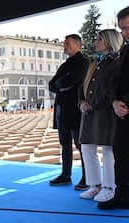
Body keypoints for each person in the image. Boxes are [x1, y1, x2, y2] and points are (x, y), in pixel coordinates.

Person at [78, 29, 122, 202]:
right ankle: (94, 186)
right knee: (87, 148)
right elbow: (82, 87)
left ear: (110, 41)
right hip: (88, 113)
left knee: (107, 150)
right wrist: (81, 102)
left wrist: (93, 104)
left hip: (106, 113)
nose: (96, 42)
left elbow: (112, 88)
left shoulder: (116, 62)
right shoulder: (93, 62)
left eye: (100, 39)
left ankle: (110, 188)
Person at [98, 6, 129, 210]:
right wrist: (114, 102)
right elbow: (113, 82)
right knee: (122, 155)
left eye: (127, 28)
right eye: (122, 29)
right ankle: (123, 195)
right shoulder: (125, 50)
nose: (125, 33)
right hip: (122, 113)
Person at [48, 34, 89, 190]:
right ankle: (66, 175)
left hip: (74, 109)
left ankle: (87, 177)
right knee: (64, 144)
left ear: (77, 45)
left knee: (81, 145)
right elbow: (52, 84)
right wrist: (61, 85)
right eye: (64, 43)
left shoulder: (83, 63)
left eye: (67, 43)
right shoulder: (65, 65)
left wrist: (61, 85)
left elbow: (72, 81)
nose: (64, 46)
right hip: (61, 108)